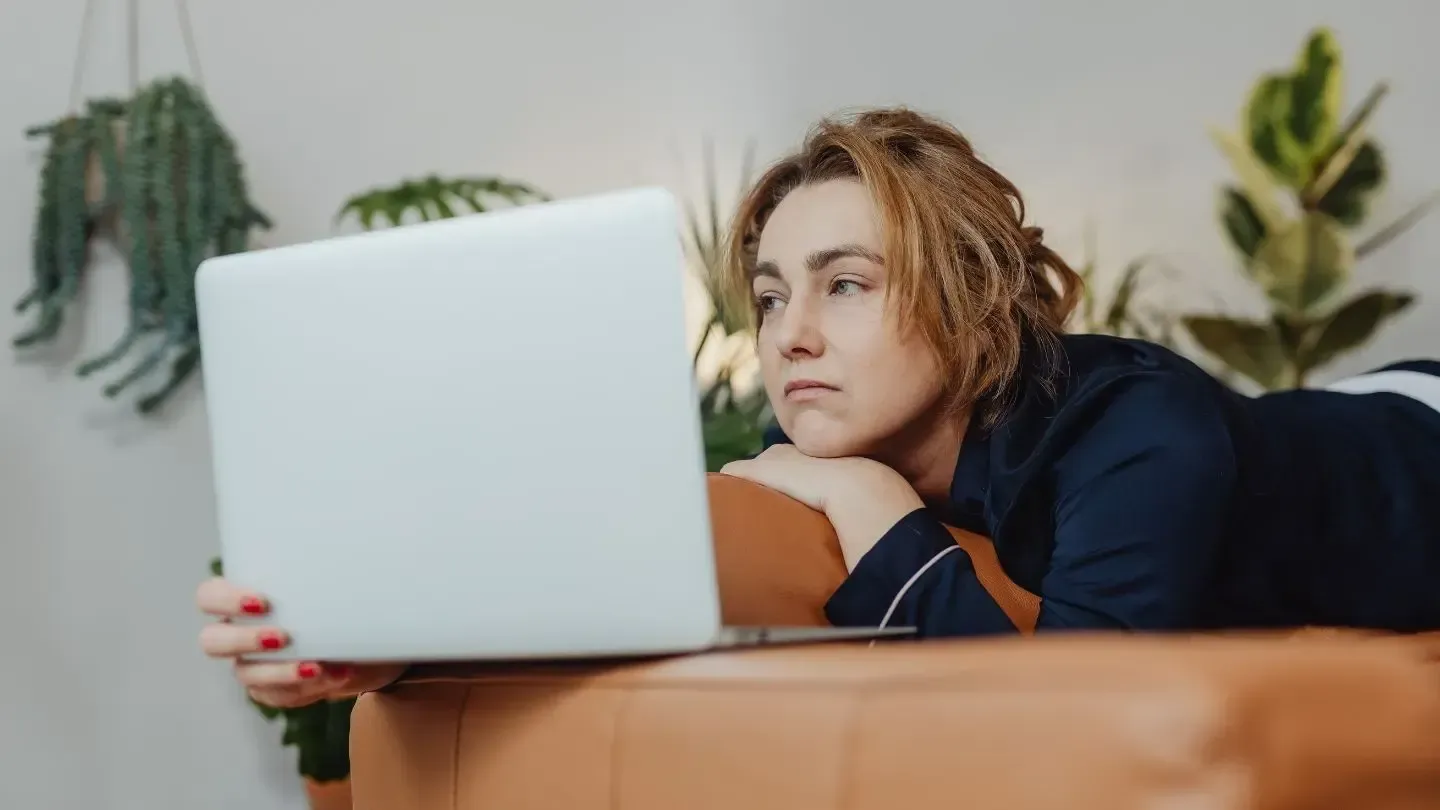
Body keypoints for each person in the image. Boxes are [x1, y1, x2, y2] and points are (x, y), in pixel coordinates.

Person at [197, 106, 1440, 708]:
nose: (789, 332)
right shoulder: (809, 438)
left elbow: (1065, 727)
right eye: (774, 290)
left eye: (847, 286)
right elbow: (623, 584)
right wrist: (370, 643)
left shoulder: (1133, 434)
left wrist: (867, 506)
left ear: (969, 296)